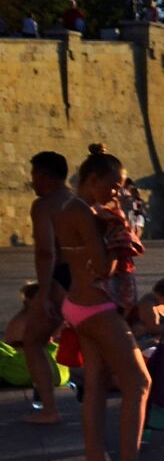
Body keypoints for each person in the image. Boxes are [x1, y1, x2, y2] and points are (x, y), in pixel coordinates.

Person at [51, 146, 154, 461]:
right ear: (91, 181)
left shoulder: (74, 209)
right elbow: (104, 266)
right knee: (140, 383)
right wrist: (122, 232)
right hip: (95, 308)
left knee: (95, 383)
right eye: (112, 187)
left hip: (78, 306)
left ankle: (94, 460)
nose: (117, 194)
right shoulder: (81, 212)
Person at [17, 152, 73, 424]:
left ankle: (50, 409)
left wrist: (45, 291)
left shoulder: (44, 205)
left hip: (60, 278)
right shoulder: (77, 199)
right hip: (85, 277)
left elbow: (45, 252)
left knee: (33, 341)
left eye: (34, 175)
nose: (32, 181)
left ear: (43, 175)